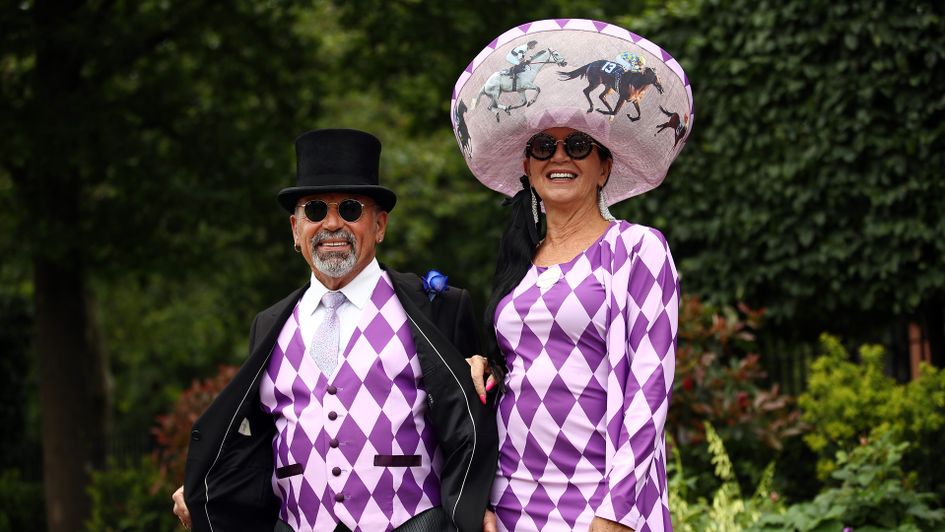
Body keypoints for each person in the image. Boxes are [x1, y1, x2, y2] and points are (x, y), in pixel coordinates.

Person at [171, 128, 497, 532]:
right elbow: (255, 441)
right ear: (295, 229)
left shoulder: (439, 307)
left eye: (349, 209)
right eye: (314, 211)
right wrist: (207, 488)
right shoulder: (269, 325)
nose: (331, 225)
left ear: (379, 225)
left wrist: (475, 505)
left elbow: (474, 421)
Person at [451, 19, 694, 532]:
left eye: (578, 146)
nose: (560, 157)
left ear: (605, 166)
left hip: (598, 502)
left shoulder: (636, 249)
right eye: (545, 147)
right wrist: (484, 367)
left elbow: (649, 389)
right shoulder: (520, 260)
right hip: (511, 499)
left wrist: (618, 512)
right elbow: (521, 368)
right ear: (529, 166)